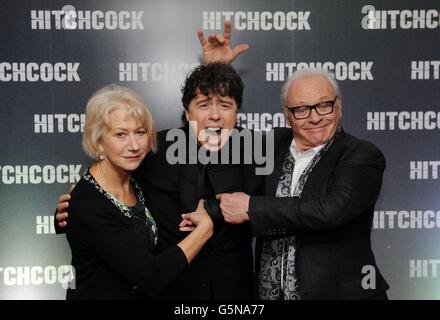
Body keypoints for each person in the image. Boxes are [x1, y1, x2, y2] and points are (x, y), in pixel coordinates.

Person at [215, 68, 390, 300]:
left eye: (324, 105)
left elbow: (329, 210)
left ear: (339, 105)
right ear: (286, 114)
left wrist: (251, 208)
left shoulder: (362, 155)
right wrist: (217, 70)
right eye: (301, 109)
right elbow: (219, 135)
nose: (315, 117)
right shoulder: (271, 145)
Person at [64, 84, 213, 299]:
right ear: (98, 141)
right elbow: (153, 275)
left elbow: (197, 132)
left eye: (140, 132)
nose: (134, 145)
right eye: (120, 134)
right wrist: (204, 230)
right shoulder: (88, 203)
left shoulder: (137, 178)